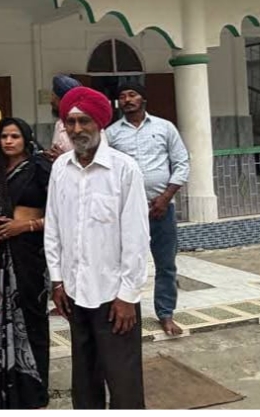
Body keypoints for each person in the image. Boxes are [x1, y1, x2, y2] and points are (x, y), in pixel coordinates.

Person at [45, 87, 149, 410]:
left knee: (123, 380)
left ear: (100, 124)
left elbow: (136, 237)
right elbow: (53, 228)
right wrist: (57, 280)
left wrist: (128, 295)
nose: (77, 129)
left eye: (84, 121)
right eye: (71, 122)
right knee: (84, 378)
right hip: (75, 292)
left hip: (113, 296)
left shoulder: (124, 169)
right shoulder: (60, 168)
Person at [105, 81, 190, 337]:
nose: (127, 100)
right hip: (126, 212)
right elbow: (106, 170)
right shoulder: (110, 134)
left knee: (165, 265)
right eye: (122, 96)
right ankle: (121, 310)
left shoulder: (165, 128)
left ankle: (166, 314)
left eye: (132, 95)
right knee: (122, 263)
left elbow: (182, 163)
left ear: (143, 99)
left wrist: (165, 198)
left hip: (161, 210)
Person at [0, 118, 53, 409]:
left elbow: (62, 213)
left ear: (26, 138)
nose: (8, 141)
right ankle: (1, 390)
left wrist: (24, 227)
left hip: (30, 254)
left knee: (31, 317)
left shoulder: (39, 168)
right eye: (4, 136)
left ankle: (33, 391)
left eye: (15, 136)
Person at [46, 74, 82, 161]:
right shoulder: (60, 123)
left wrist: (63, 158)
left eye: (54, 97)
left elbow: (94, 159)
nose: (51, 101)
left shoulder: (88, 125)